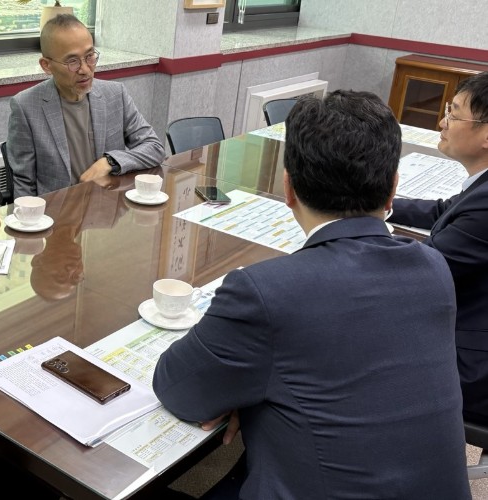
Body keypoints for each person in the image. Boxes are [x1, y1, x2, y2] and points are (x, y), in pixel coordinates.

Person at [153, 91, 470, 499]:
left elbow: (178, 389)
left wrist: (245, 394)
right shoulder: (433, 268)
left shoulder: (266, 291)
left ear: (288, 187)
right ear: (393, 189)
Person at [389, 71, 488, 426]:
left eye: (454, 114)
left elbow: (420, 273)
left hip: (471, 369)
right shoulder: (481, 190)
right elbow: (443, 211)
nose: (442, 122)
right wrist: (376, 203)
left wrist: (350, 234)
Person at [6, 14, 165, 197]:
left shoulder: (115, 94)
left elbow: (154, 147)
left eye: (90, 56)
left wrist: (109, 162)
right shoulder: (26, 107)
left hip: (108, 205)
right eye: (72, 61)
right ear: (46, 65)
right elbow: (24, 184)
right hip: (58, 209)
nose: (85, 69)